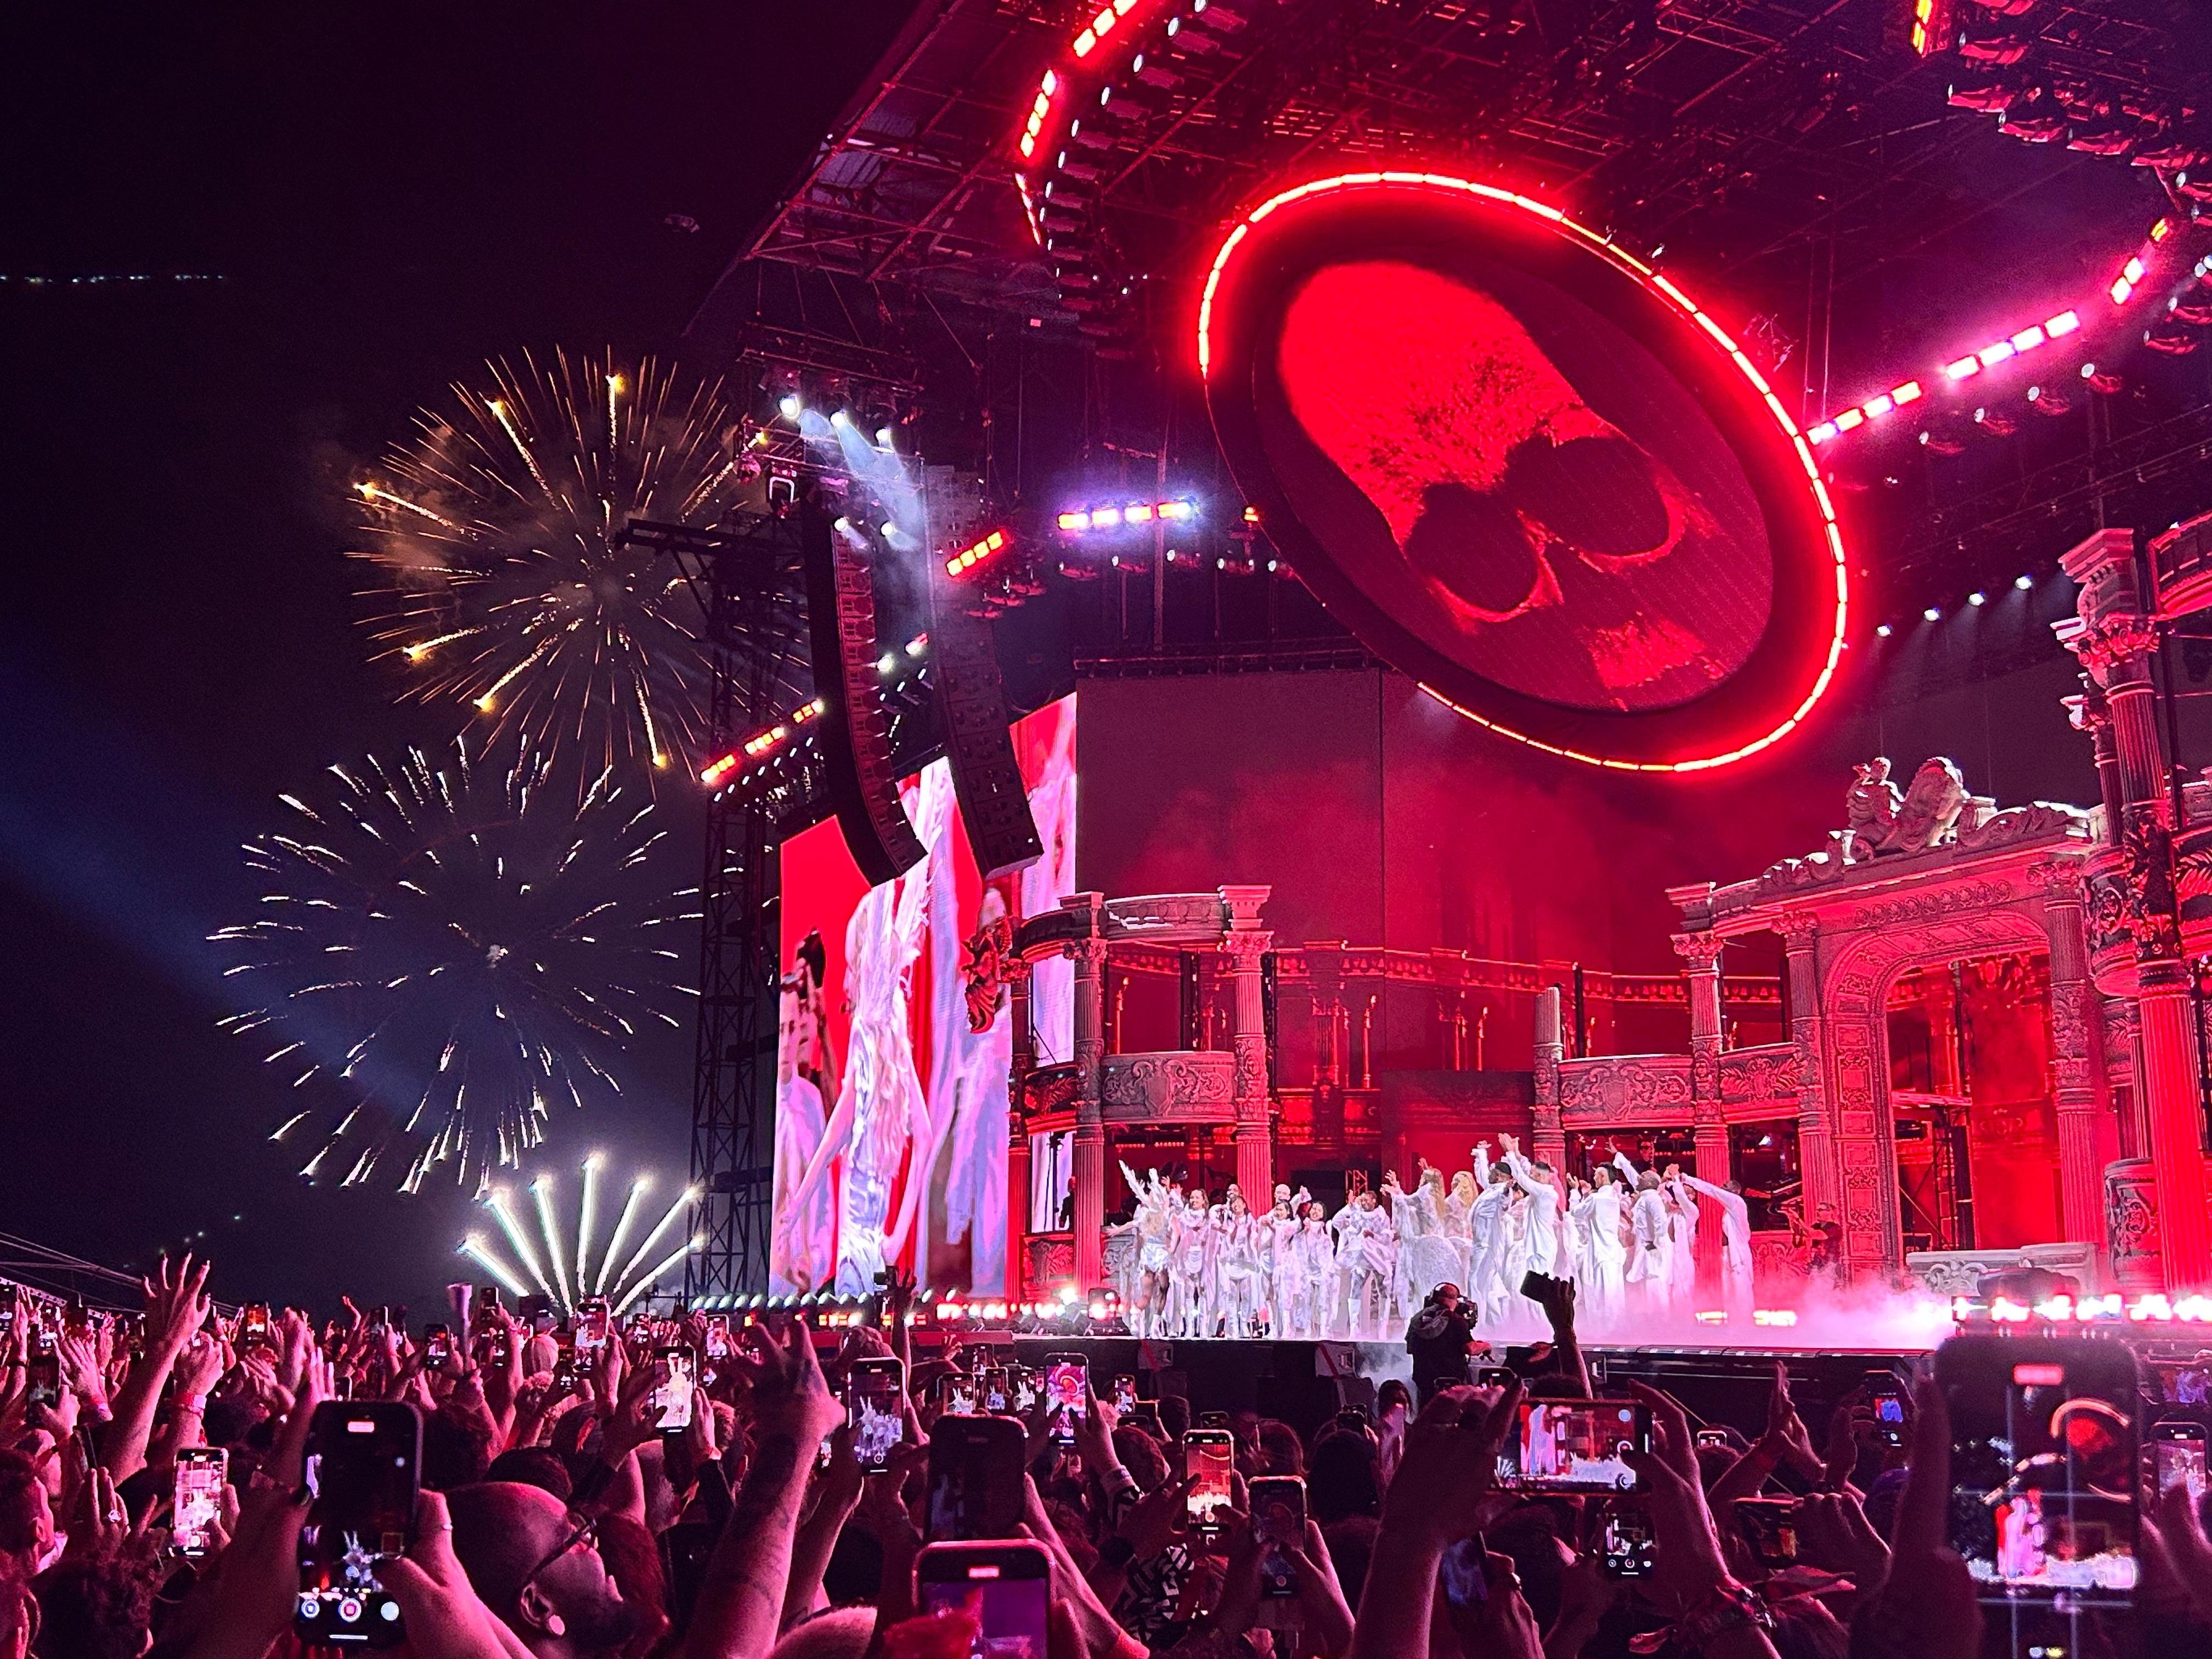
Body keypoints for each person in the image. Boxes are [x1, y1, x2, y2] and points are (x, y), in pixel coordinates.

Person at [1681, 1169, 1756, 1310]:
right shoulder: (1729, 1209)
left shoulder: (1736, 1202)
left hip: (1738, 1255)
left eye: (1726, 1186)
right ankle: (1734, 1325)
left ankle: (1744, 1326)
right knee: (1729, 1292)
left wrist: (1686, 1178)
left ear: (1735, 1191)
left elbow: (1712, 1190)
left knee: (1740, 1293)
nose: (1722, 1188)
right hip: (1728, 1253)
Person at [1404, 1284, 1477, 1404]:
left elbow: (1410, 1349)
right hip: (1450, 1382)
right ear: (1455, 1301)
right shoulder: (1457, 1321)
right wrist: (1485, 1346)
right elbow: (1471, 1349)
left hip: (1423, 1381)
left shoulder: (1417, 1320)